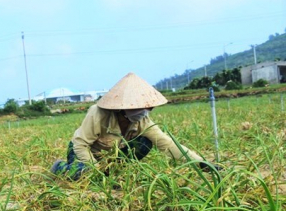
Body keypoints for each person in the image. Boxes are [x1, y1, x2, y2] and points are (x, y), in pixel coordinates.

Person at [51, 72, 219, 180]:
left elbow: (166, 143)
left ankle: (111, 173)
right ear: (124, 106)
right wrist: (96, 169)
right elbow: (81, 145)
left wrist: (201, 163)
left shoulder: (142, 121)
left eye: (149, 107)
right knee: (85, 175)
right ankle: (59, 167)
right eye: (141, 107)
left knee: (145, 142)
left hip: (109, 157)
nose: (146, 111)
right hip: (83, 152)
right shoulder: (98, 113)